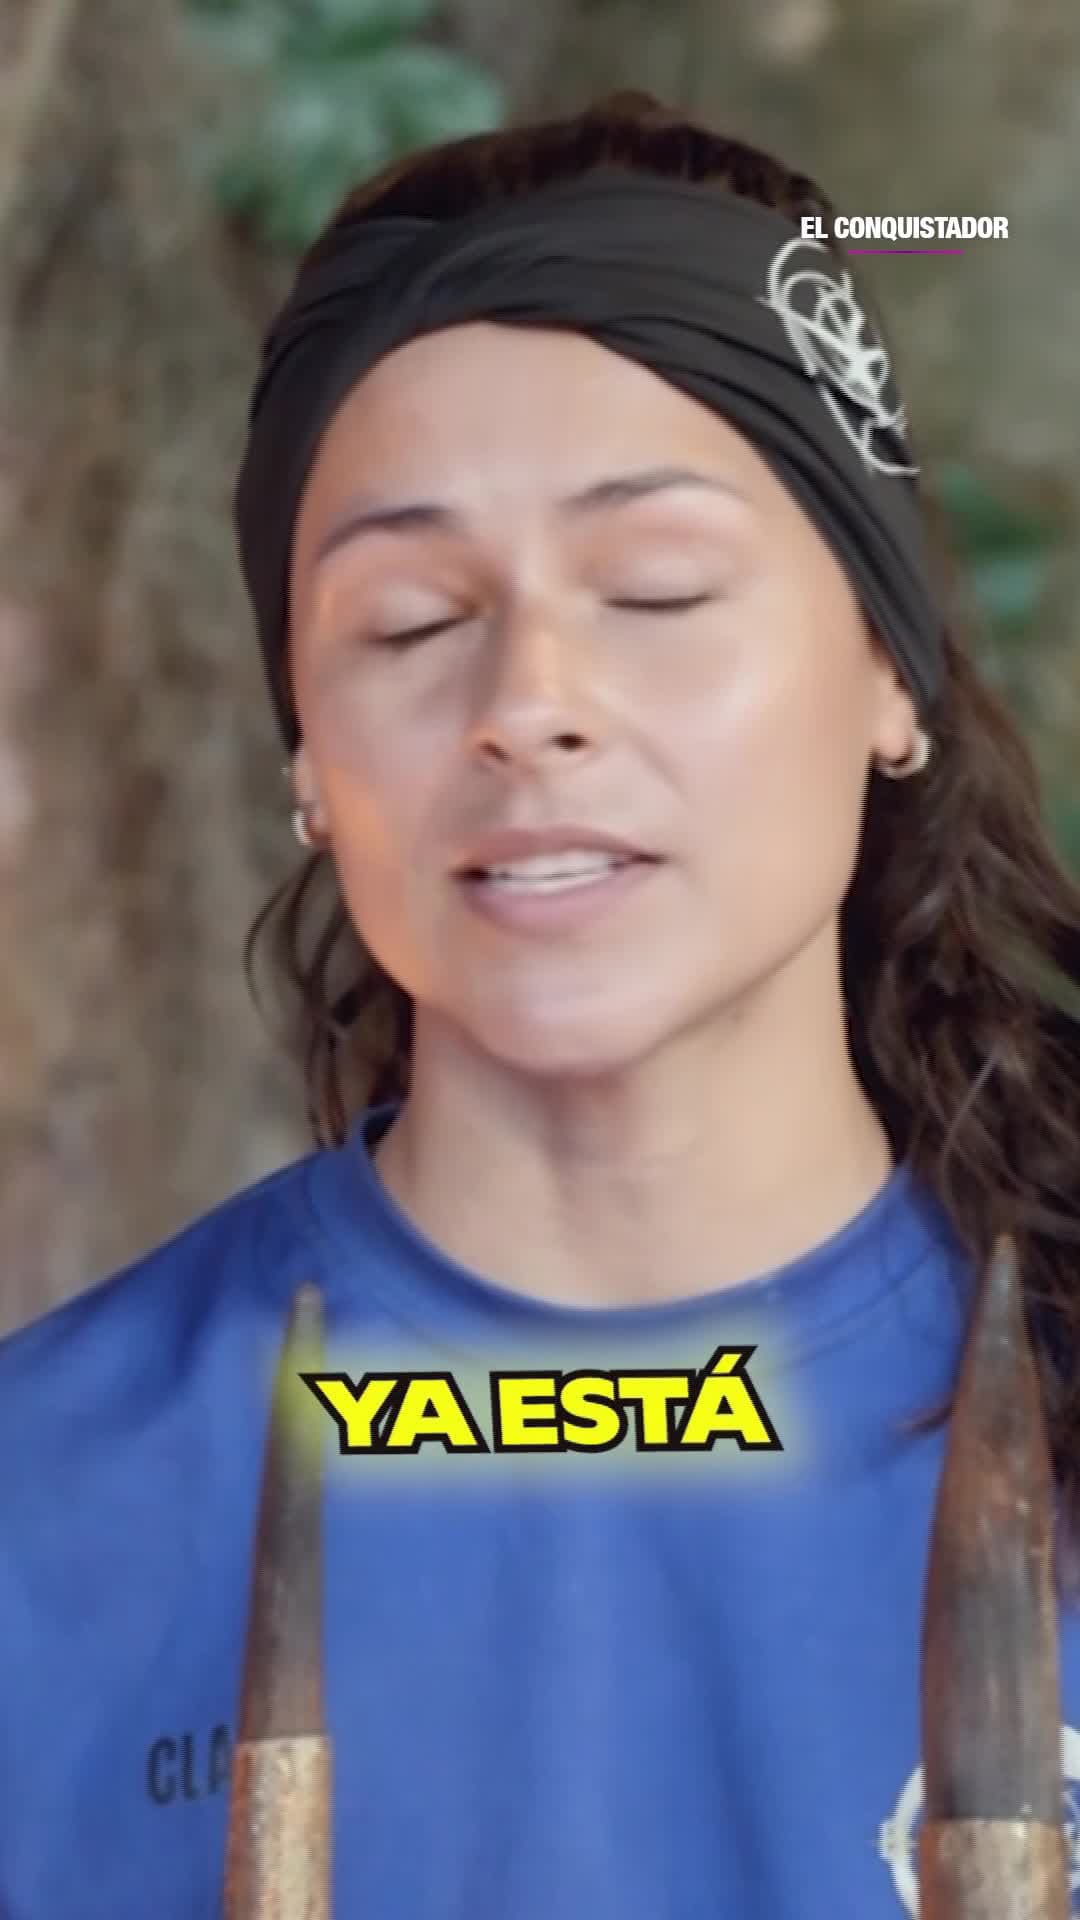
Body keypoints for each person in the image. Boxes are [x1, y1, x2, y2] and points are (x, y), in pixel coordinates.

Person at [1, 87, 1079, 1920]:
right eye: (412, 624)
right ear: (309, 758)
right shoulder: (42, 1513)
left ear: (887, 670)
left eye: (657, 588)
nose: (529, 704)